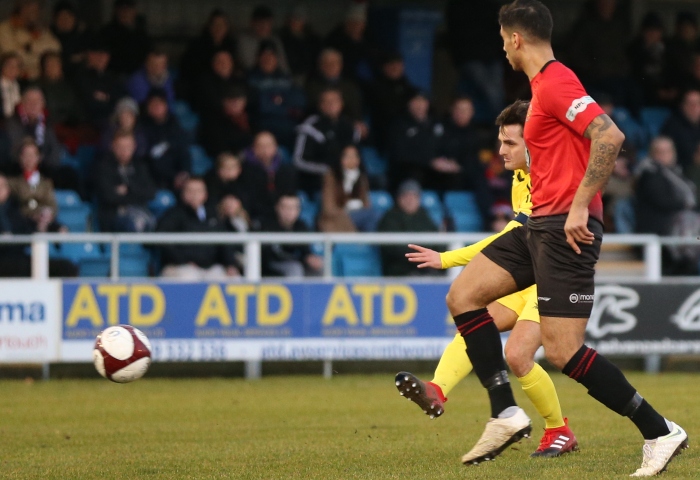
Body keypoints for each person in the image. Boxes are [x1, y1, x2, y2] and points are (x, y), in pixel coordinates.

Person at [443, 2, 686, 475]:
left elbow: (609, 137)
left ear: (515, 39)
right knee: (464, 295)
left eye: (502, 38)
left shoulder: (555, 81)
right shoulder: (540, 89)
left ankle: (660, 431)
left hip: (564, 228)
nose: (502, 48)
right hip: (539, 223)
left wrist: (579, 205)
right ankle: (505, 412)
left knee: (561, 351)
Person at [398, 100, 578, 459]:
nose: (500, 151)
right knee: (475, 324)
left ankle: (561, 431)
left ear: (534, 142)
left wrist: (447, 258)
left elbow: (509, 237)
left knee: (518, 354)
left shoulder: (550, 178)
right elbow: (515, 240)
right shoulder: (520, 175)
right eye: (501, 141)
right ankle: (436, 389)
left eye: (509, 143)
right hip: (529, 275)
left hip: (557, 278)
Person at [635, 136, 699, 275]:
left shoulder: (677, 173)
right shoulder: (649, 173)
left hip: (674, 227)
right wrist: (686, 203)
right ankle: (686, 257)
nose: (664, 155)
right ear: (652, 153)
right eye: (659, 151)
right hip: (659, 228)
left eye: (668, 151)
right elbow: (663, 201)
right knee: (688, 220)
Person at [156, 177, 241, 280]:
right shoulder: (173, 215)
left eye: (198, 191)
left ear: (205, 194)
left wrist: (230, 264)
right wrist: (183, 261)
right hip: (181, 266)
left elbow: (224, 242)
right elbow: (163, 241)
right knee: (188, 277)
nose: (194, 194)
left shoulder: (213, 215)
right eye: (190, 190)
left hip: (211, 268)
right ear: (183, 193)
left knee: (234, 279)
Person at [0, 173, 76, 277]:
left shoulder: (15, 210)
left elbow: (30, 226)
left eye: (2, 186)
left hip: (18, 258)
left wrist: (55, 227)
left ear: (8, 190)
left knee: (66, 267)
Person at [293, 87, 358, 194]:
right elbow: (299, 161)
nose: (331, 104)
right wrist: (328, 170)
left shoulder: (349, 126)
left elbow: (356, 156)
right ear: (320, 105)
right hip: (318, 182)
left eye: (335, 100)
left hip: (347, 179)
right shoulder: (310, 126)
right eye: (327, 101)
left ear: (341, 103)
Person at [246, 41, 305, 148]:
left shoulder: (286, 77)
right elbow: (261, 105)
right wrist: (285, 106)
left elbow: (300, 101)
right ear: (258, 58)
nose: (268, 59)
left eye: (271, 56)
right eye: (264, 56)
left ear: (277, 59)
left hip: (289, 128)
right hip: (263, 126)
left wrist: (276, 101)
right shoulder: (250, 78)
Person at [95, 130, 156, 232]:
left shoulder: (140, 166)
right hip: (113, 216)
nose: (124, 151)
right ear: (113, 146)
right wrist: (137, 194)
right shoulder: (103, 167)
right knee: (136, 223)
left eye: (128, 147)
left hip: (140, 211)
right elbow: (108, 196)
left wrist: (128, 189)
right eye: (120, 147)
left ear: (134, 147)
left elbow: (150, 192)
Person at [376, 180, 440, 277]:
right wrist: (418, 255)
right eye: (406, 196)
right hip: (398, 272)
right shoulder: (390, 217)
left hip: (425, 269)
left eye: (414, 196)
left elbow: (436, 241)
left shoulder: (424, 217)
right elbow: (391, 248)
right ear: (399, 198)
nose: (410, 200)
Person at [8, 137, 65, 233]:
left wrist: (47, 214)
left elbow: (52, 205)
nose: (29, 159)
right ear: (20, 158)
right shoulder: (14, 183)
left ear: (38, 158)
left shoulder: (46, 183)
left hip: (46, 221)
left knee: (62, 230)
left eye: (32, 155)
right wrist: (34, 215)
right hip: (25, 223)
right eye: (26, 155)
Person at [179, 9, 238, 103]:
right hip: (203, 89)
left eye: (222, 25)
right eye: (215, 24)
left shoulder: (232, 45)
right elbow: (188, 70)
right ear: (209, 27)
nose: (219, 28)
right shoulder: (197, 45)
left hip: (227, 88)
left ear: (227, 27)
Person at [259, 194, 323, 277]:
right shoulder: (268, 226)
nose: (289, 211)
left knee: (321, 266)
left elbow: (305, 250)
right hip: (272, 264)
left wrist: (309, 257)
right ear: (277, 208)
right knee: (294, 269)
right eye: (286, 207)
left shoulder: (301, 226)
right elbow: (268, 255)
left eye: (293, 208)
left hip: (298, 261)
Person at [318, 145, 378, 233]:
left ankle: (367, 245)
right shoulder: (331, 177)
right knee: (373, 215)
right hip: (338, 218)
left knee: (375, 215)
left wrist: (358, 207)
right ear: (340, 159)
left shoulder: (361, 178)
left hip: (358, 216)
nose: (352, 160)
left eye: (355, 156)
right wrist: (347, 208)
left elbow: (366, 204)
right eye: (348, 156)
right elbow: (328, 208)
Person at [140, 88, 191, 190]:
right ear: (147, 107)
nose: (156, 107)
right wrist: (174, 176)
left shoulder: (174, 123)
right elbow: (150, 158)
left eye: (160, 103)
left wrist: (184, 173)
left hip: (179, 178)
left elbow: (183, 151)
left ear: (166, 106)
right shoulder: (142, 127)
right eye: (153, 104)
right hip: (156, 180)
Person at [0, 0, 61, 81]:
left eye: (37, 9)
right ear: (22, 7)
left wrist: (31, 47)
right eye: (30, 8)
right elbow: (12, 56)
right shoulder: (5, 29)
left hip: (40, 81)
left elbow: (56, 48)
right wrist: (38, 57)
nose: (35, 13)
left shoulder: (42, 30)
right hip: (15, 80)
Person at [204, 152, 271, 225]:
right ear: (219, 170)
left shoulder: (247, 186)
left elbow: (256, 209)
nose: (229, 170)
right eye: (225, 167)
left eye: (232, 167)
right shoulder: (210, 186)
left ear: (239, 169)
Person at [73, 35, 125, 127]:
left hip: (112, 121)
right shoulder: (79, 76)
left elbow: (120, 97)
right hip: (89, 124)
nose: (102, 58)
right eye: (98, 54)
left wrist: (107, 98)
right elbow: (90, 103)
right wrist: (108, 99)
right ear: (89, 54)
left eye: (105, 55)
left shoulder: (111, 76)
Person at [198, 85, 252, 158]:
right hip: (224, 158)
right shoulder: (214, 121)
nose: (235, 105)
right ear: (224, 102)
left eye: (238, 102)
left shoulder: (249, 117)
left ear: (244, 102)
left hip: (247, 156)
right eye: (232, 102)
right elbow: (217, 146)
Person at [100, 0, 150, 76]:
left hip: (138, 74)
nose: (125, 13)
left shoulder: (141, 33)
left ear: (134, 12)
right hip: (114, 75)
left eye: (128, 10)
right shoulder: (107, 32)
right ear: (116, 11)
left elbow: (148, 53)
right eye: (122, 10)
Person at [241, 130, 297, 196]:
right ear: (254, 148)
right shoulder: (245, 169)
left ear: (275, 147)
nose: (265, 150)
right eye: (261, 146)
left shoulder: (286, 169)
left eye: (269, 145)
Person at [237, 5, 290, 73]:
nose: (264, 27)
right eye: (260, 23)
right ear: (253, 23)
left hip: (274, 78)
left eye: (267, 23)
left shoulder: (275, 40)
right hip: (250, 77)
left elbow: (283, 65)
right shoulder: (244, 40)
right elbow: (248, 64)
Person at [279, 3, 321, 84]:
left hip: (310, 78)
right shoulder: (282, 39)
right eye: (293, 19)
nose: (295, 22)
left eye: (298, 19)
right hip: (289, 77)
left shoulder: (314, 40)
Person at [660, 89, 700, 172]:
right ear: (683, 106)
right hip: (682, 170)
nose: (694, 107)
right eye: (690, 104)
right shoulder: (672, 125)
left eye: (697, 103)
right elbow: (689, 155)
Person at [0, 52, 22, 119]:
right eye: (9, 65)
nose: (13, 69)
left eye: (16, 66)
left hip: (18, 123)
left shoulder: (22, 86)